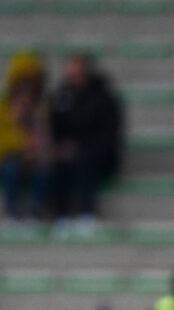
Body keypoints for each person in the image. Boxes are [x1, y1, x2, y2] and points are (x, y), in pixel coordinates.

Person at [48, 51, 122, 232]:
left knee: (84, 162)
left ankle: (87, 213)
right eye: (72, 73)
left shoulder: (103, 98)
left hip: (98, 153)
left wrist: (83, 147)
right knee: (58, 164)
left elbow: (109, 133)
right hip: (67, 153)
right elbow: (53, 127)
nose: (75, 77)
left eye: (79, 73)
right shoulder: (61, 97)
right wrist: (61, 147)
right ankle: (61, 215)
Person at [0, 52, 50, 222]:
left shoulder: (42, 109)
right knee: (11, 168)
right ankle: (12, 212)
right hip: (10, 158)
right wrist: (23, 143)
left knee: (44, 170)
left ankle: (35, 213)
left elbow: (46, 140)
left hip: (36, 158)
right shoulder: (4, 109)